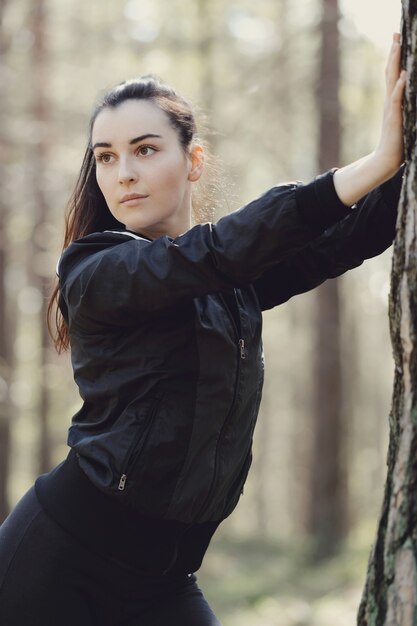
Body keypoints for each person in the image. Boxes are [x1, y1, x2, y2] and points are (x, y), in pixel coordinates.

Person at [0, 33, 406, 626]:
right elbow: (213, 253)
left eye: (144, 149)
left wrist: (399, 161)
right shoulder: (97, 272)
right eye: (106, 157)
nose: (123, 174)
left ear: (193, 161)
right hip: (59, 564)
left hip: (165, 581)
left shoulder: (228, 280)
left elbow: (341, 242)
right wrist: (372, 162)